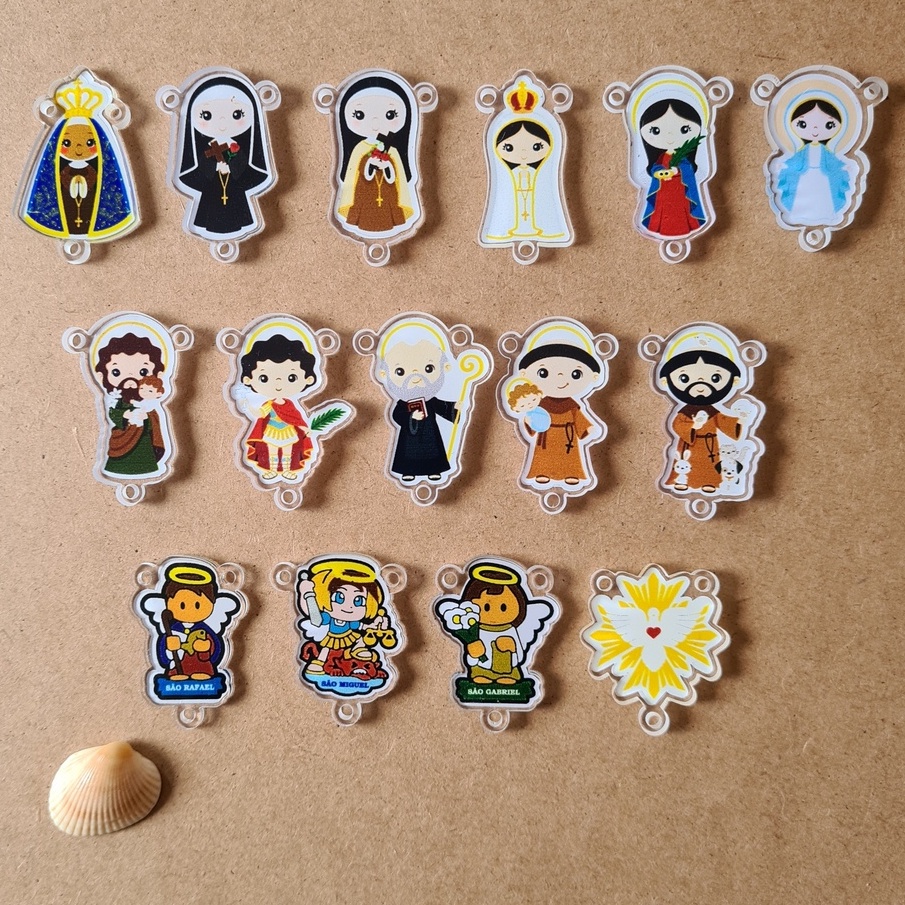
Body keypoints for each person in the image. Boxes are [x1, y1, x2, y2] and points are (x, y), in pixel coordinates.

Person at [21, 74, 136, 240]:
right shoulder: (56, 173)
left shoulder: (102, 172)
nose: (79, 149)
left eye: (89, 142)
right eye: (68, 142)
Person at [175, 74, 273, 239]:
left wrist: (232, 167)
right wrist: (214, 167)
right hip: (210, 195)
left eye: (236, 114)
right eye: (207, 115)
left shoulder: (237, 148)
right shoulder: (208, 149)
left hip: (236, 194)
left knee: (236, 211)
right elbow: (197, 172)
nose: (221, 124)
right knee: (211, 208)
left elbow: (248, 172)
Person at [657, 328, 748, 493]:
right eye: (684, 378)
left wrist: (741, 420)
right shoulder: (684, 412)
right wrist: (694, 426)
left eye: (715, 378)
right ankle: (682, 481)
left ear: (733, 380)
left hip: (710, 445)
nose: (700, 385)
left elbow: (726, 422)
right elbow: (678, 425)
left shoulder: (714, 412)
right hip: (688, 445)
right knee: (685, 462)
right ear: (666, 381)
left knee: (710, 465)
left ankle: (710, 482)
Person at [335, 75, 416, 235]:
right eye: (359, 114)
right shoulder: (359, 149)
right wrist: (370, 165)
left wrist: (387, 166)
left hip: (388, 192)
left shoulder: (392, 150)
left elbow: (396, 178)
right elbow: (353, 175)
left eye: (390, 114)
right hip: (365, 194)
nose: (375, 123)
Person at [517, 341, 604, 486]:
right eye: (543, 373)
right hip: (546, 436)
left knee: (570, 458)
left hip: (567, 437)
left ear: (594, 376)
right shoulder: (540, 404)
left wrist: (588, 429)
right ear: (524, 374)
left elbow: (579, 420)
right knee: (544, 455)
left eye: (575, 374)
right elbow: (534, 420)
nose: (559, 378)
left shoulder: (573, 406)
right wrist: (528, 422)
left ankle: (571, 473)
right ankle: (542, 472)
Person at [377, 329, 459, 482]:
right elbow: (396, 416)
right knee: (407, 452)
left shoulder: (431, 401)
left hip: (430, 434)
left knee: (433, 450)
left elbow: (444, 408)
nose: (415, 376)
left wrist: (457, 407)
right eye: (400, 371)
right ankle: (408, 471)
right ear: (385, 374)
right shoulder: (402, 403)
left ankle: (434, 470)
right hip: (409, 437)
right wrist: (411, 417)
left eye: (428, 369)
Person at [296, 559, 391, 683]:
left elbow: (362, 626)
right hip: (331, 637)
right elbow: (313, 616)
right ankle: (319, 663)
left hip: (349, 636)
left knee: (361, 639)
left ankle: (358, 650)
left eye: (358, 600)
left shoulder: (352, 622)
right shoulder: (328, 617)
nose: (349, 606)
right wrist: (306, 594)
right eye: (339, 597)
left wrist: (374, 624)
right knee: (326, 649)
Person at [236, 334, 316, 481]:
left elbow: (296, 419)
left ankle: (287, 470)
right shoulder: (267, 404)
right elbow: (259, 415)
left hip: (288, 431)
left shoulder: (290, 405)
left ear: (308, 379)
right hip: (271, 431)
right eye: (264, 378)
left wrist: (305, 428)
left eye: (291, 378)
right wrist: (247, 405)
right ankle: (272, 470)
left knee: (287, 451)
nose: (278, 383)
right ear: (248, 379)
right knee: (272, 451)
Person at [94, 333, 166, 477]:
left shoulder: (150, 402)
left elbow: (156, 420)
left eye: (143, 371)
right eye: (116, 372)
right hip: (119, 445)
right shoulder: (117, 400)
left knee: (146, 464)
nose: (130, 378)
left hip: (144, 447)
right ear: (103, 376)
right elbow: (112, 413)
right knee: (118, 467)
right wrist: (125, 415)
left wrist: (147, 418)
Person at [638, 99, 706, 237]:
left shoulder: (683, 157)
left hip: (680, 189)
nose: (669, 136)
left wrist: (676, 170)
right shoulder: (661, 156)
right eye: (656, 130)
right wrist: (658, 172)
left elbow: (687, 168)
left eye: (684, 129)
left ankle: (682, 227)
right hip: (663, 190)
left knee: (680, 208)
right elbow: (656, 167)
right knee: (663, 208)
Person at [777, 98, 851, 226]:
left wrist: (844, 167)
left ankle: (826, 214)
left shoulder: (826, 152)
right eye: (803, 124)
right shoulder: (802, 151)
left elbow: (834, 162)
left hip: (823, 177)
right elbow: (794, 161)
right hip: (805, 177)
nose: (815, 129)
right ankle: (798, 214)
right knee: (801, 194)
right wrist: (783, 165)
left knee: (824, 196)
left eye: (829, 125)